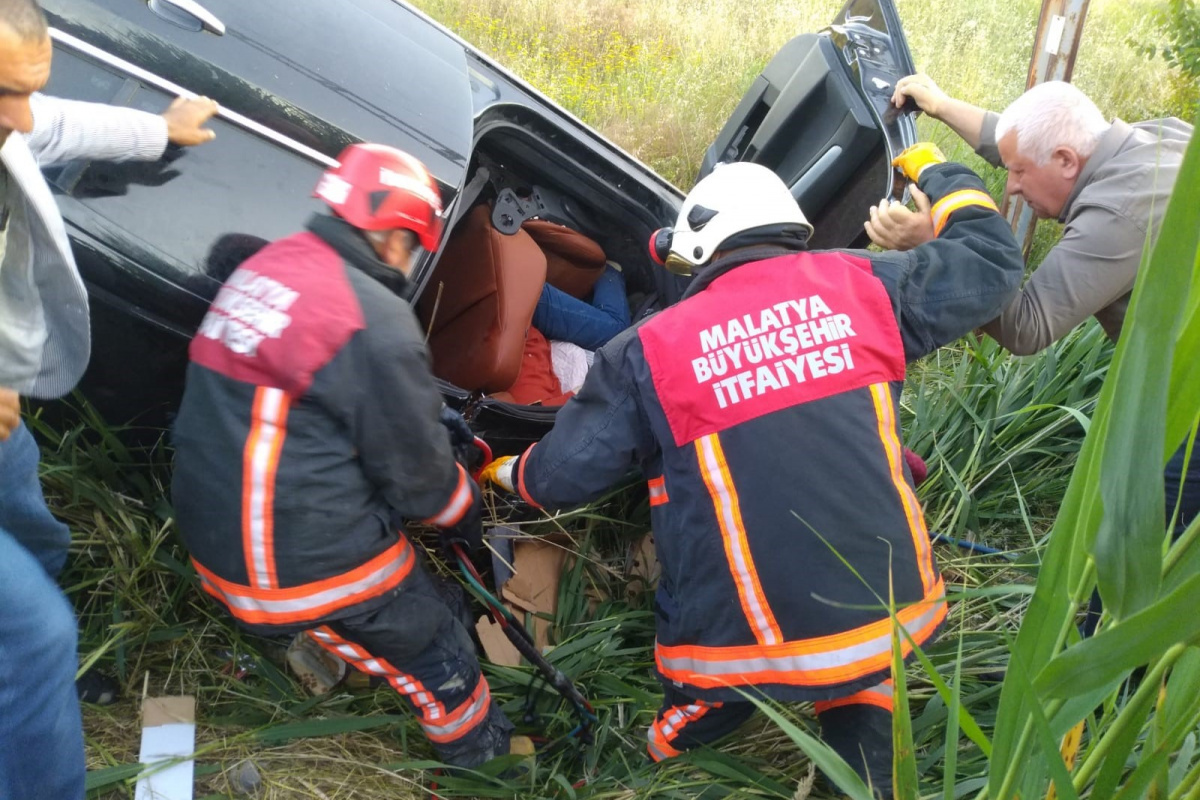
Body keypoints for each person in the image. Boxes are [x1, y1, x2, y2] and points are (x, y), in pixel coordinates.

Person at [478, 148, 1024, 793]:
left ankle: (668, 757)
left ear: (701, 253)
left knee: (706, 664)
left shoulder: (648, 348)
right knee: (866, 662)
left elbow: (562, 477)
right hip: (894, 615)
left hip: (738, 648)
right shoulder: (869, 284)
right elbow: (992, 259)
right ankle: (861, 759)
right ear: (791, 228)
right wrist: (936, 169)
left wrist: (506, 472)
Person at [170, 143, 522, 769]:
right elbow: (425, 489)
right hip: (288, 567)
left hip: (217, 537)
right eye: (413, 245)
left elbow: (322, 407)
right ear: (392, 235)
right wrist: (466, 507)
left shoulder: (268, 268)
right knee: (436, 647)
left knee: (426, 597)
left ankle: (343, 636)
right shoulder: (372, 318)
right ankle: (487, 763)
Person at [867, 76, 1197, 613]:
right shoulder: (1154, 139)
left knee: (1140, 547)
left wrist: (936, 244)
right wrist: (943, 103)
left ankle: (1098, 676)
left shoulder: (1119, 215)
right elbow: (1017, 141)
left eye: (1019, 173)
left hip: (1189, 401)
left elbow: (1026, 327)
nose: (1013, 186)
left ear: (1067, 161)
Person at [0, 0, 217, 794]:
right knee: (33, 634)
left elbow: (52, 125)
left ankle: (31, 696)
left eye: (25, 89)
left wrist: (163, 130)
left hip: (2, 429)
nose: (19, 117)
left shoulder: (11, 121)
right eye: (2, 94)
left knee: (35, 534)